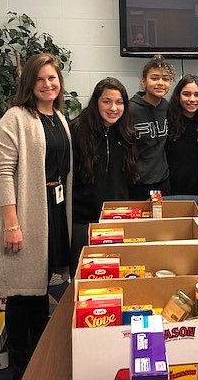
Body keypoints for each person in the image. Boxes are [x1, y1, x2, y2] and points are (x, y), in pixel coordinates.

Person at [0, 53, 72, 379]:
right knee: (21, 292)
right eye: (40, 79)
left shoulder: (59, 117)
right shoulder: (16, 118)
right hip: (27, 210)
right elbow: (3, 172)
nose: (48, 84)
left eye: (52, 78)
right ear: (29, 83)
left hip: (54, 206)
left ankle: (40, 354)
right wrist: (12, 223)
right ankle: (21, 362)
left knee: (40, 282)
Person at [70, 77, 138, 272]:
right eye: (106, 101)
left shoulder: (126, 133)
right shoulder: (77, 130)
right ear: (96, 102)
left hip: (117, 220)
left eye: (119, 102)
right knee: (85, 276)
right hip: (83, 222)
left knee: (114, 276)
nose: (113, 108)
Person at [128, 55, 175, 200]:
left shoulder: (168, 108)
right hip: (137, 183)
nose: (160, 83)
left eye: (166, 79)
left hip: (162, 181)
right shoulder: (130, 109)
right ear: (143, 82)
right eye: (154, 78)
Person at [166, 74, 198, 196]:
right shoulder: (166, 119)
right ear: (178, 95)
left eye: (197, 95)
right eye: (186, 94)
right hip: (170, 189)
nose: (192, 99)